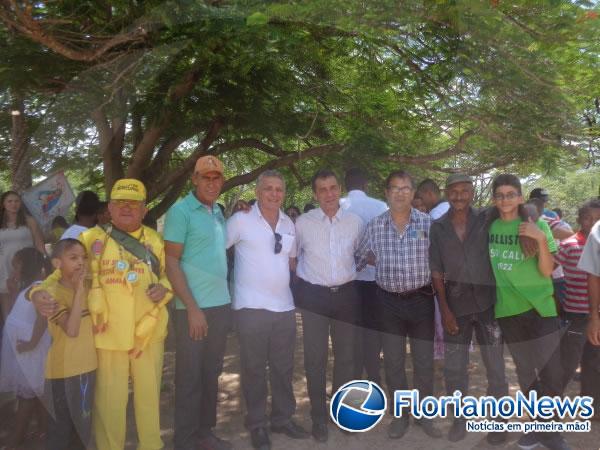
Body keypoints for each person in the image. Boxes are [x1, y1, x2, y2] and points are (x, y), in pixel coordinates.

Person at [33, 179, 173, 450]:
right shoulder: (90, 239)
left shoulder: (155, 240)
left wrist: (162, 289)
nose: (126, 208)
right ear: (108, 208)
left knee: (148, 400)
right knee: (110, 404)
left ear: (144, 210)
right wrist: (37, 293)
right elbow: (58, 274)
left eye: (134, 204)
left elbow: (167, 278)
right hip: (108, 337)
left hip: (149, 335)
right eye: (120, 203)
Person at [355, 170, 441, 440]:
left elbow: (440, 260)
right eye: (395, 188)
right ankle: (400, 416)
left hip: (421, 301)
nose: (401, 193)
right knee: (393, 362)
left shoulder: (428, 225)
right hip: (388, 303)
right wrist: (374, 261)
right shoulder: (375, 226)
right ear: (386, 192)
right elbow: (358, 256)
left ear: (413, 192)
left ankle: (424, 415)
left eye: (406, 188)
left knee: (424, 362)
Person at [227, 170, 308, 450]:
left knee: (283, 368)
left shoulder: (289, 223)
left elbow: (294, 263)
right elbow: (217, 250)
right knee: (253, 370)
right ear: (258, 191)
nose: (274, 194)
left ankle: (283, 419)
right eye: (268, 189)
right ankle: (257, 424)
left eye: (279, 189)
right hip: (250, 308)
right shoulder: (240, 220)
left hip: (284, 307)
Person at [488, 174, 568, 450]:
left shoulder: (538, 226)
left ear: (520, 197)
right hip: (509, 312)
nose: (505, 199)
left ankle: (552, 432)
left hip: (542, 309)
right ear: (494, 199)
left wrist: (540, 239)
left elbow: (548, 270)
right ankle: (536, 428)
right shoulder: (490, 227)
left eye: (511, 194)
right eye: (500, 195)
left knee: (552, 374)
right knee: (526, 373)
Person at [428, 174, 508, 444]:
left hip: (488, 305)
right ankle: (459, 420)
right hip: (456, 307)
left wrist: (532, 228)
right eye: (453, 191)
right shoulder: (437, 227)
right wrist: (445, 310)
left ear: (473, 192)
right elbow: (437, 272)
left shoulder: (487, 217)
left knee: (495, 367)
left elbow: (522, 208)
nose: (459, 196)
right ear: (446, 193)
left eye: (464, 190)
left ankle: (499, 422)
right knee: (454, 369)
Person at [164, 156, 232, 450]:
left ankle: (205, 434)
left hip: (220, 306)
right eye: (206, 177)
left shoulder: (217, 211)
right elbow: (170, 262)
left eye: (216, 178)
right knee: (189, 377)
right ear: (194, 179)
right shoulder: (181, 211)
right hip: (192, 308)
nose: (211, 183)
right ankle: (185, 440)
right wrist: (192, 308)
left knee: (210, 373)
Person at [294, 169, 363, 443]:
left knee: (346, 358)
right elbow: (292, 256)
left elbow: (360, 253)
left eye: (333, 188)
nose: (329, 194)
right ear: (315, 194)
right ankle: (318, 418)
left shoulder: (355, 222)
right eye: (322, 190)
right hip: (314, 298)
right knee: (315, 359)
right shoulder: (302, 223)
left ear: (340, 189)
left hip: (347, 296)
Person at [36, 239, 97, 450]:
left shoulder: (91, 285)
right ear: (57, 263)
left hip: (88, 368)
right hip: (62, 373)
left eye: (83, 258)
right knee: (59, 431)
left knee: (83, 429)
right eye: (73, 258)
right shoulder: (51, 292)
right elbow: (71, 331)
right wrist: (79, 291)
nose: (80, 263)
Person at [0, 247, 51, 449]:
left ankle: (15, 440)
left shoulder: (37, 287)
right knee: (37, 395)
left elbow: (43, 318)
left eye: (17, 266)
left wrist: (32, 342)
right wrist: (13, 293)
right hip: (26, 351)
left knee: (26, 397)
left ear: (27, 266)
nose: (14, 271)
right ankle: (45, 431)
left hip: (32, 351)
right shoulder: (27, 288)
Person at [340, 167, 388, 384]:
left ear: (343, 186)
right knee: (373, 331)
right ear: (366, 185)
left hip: (347, 281)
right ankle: (374, 376)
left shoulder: (337, 207)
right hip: (375, 280)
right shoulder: (380, 207)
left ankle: (354, 377)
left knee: (351, 332)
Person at [557, 200, 600, 391]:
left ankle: (592, 406)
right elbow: (547, 271)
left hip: (596, 316)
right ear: (579, 220)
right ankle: (549, 405)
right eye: (587, 218)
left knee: (593, 362)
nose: (592, 223)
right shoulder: (569, 245)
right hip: (575, 315)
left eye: (598, 219)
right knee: (568, 362)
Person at [416, 179, 449, 365]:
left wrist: (407, 233)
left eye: (422, 198)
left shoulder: (435, 214)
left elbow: (424, 237)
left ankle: (443, 359)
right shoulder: (452, 208)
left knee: (441, 314)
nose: (423, 203)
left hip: (439, 274)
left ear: (429, 194)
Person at [0, 191, 45, 322]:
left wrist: (45, 263)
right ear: (3, 204)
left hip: (27, 266)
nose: (13, 204)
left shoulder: (29, 221)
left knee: (26, 298)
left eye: (16, 201)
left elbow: (39, 243)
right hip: (4, 265)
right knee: (6, 302)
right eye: (10, 201)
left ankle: (27, 333)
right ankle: (10, 335)